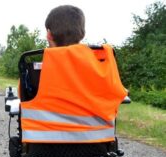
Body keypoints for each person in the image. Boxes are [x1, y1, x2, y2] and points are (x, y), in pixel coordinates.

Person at [19, 5, 128, 146]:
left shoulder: (35, 72)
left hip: (42, 146)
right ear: (81, 33)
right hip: (95, 146)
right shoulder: (102, 67)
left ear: (49, 35)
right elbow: (120, 94)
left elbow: (23, 97)